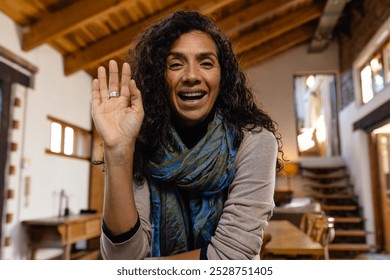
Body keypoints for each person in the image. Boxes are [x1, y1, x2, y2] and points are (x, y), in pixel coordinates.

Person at [91, 10, 283, 260]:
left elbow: (231, 259)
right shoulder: (140, 140)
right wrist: (117, 152)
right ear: (159, 78)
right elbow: (122, 256)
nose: (192, 76)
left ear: (222, 76)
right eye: (176, 64)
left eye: (206, 63)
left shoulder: (254, 142)